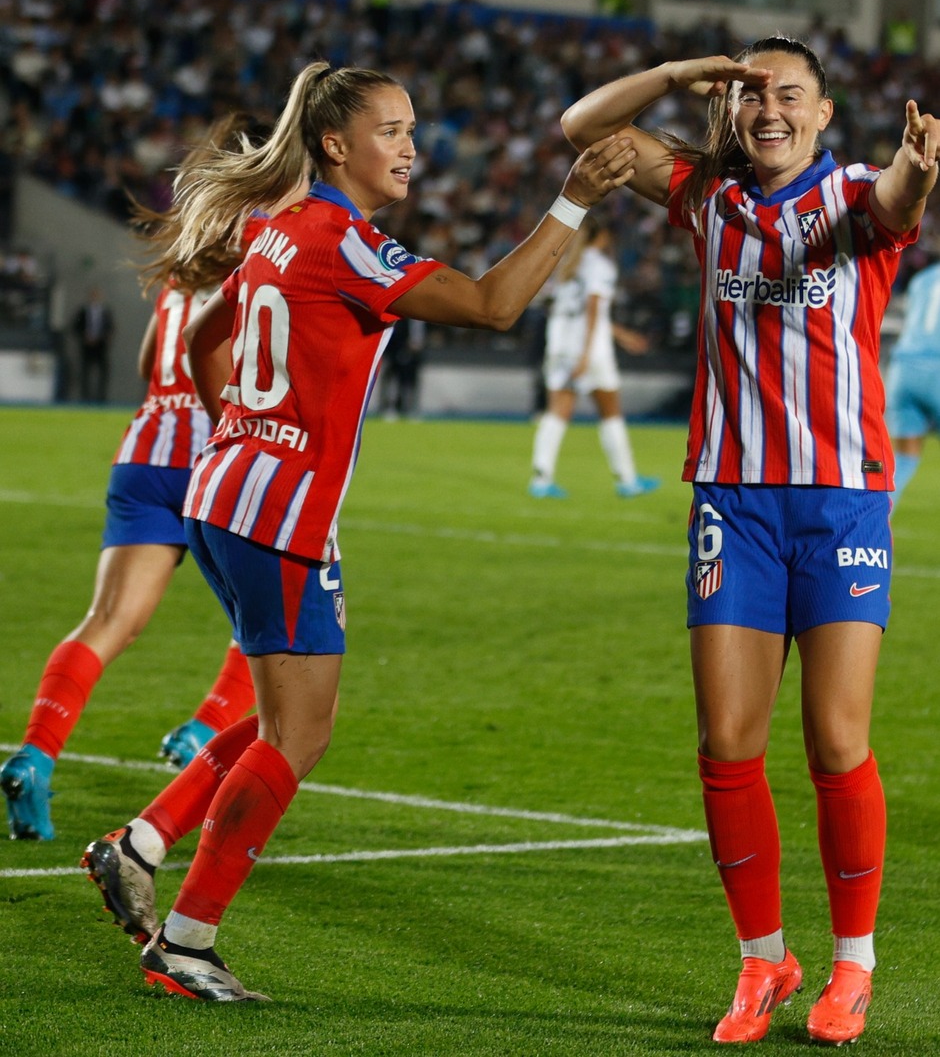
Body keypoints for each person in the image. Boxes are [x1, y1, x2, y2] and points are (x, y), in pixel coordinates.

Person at [80, 60, 637, 1003]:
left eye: (413, 129)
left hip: (223, 495)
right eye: (392, 130)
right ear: (336, 144)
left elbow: (204, 334)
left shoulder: (275, 231)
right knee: (301, 734)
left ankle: (138, 846)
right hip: (276, 512)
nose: (412, 146)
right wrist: (573, 201)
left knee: (277, 717)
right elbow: (495, 305)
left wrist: (241, 436)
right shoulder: (341, 240)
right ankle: (184, 939)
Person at [559, 36, 939, 1045]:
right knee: (727, 744)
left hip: (840, 502)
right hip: (732, 502)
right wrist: (682, 77)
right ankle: (763, 957)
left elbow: (896, 204)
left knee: (833, 739)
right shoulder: (703, 196)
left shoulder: (855, 193)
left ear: (820, 114)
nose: (767, 109)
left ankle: (853, 964)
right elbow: (584, 128)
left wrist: (917, 165)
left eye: (789, 95)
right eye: (750, 93)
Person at [0, 116, 301, 840]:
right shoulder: (271, 245)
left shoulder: (188, 251)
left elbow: (147, 363)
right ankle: (203, 734)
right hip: (215, 453)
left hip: (144, 451)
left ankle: (34, 757)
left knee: (107, 622)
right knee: (272, 622)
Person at [529, 217, 660, 499]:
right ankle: (627, 479)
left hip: (559, 344)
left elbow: (587, 312)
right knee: (610, 412)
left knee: (557, 412)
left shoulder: (567, 265)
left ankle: (541, 478)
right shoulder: (599, 265)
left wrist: (623, 336)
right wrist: (586, 355)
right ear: (603, 236)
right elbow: (592, 310)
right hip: (589, 349)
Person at [884, 257, 940, 505]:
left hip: (903, 371)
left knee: (904, 458)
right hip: (936, 370)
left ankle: (875, 530)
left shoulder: (923, 278)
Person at [72, 285, 114, 402]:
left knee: (103, 372)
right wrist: (85, 336)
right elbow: (76, 327)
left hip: (101, 346)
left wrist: (104, 337)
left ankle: (101, 398)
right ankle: (85, 398)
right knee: (85, 372)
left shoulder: (106, 312)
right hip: (87, 347)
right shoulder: (83, 311)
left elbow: (110, 328)